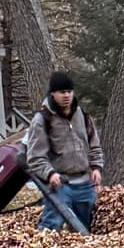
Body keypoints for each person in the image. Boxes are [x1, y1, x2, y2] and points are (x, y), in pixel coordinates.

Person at [26, 71, 103, 233]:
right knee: (51, 228)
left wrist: (96, 167)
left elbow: (94, 144)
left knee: (85, 229)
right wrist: (50, 174)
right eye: (62, 92)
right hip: (60, 185)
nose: (66, 95)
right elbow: (35, 158)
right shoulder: (42, 120)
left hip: (85, 184)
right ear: (53, 94)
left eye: (69, 91)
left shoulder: (82, 115)